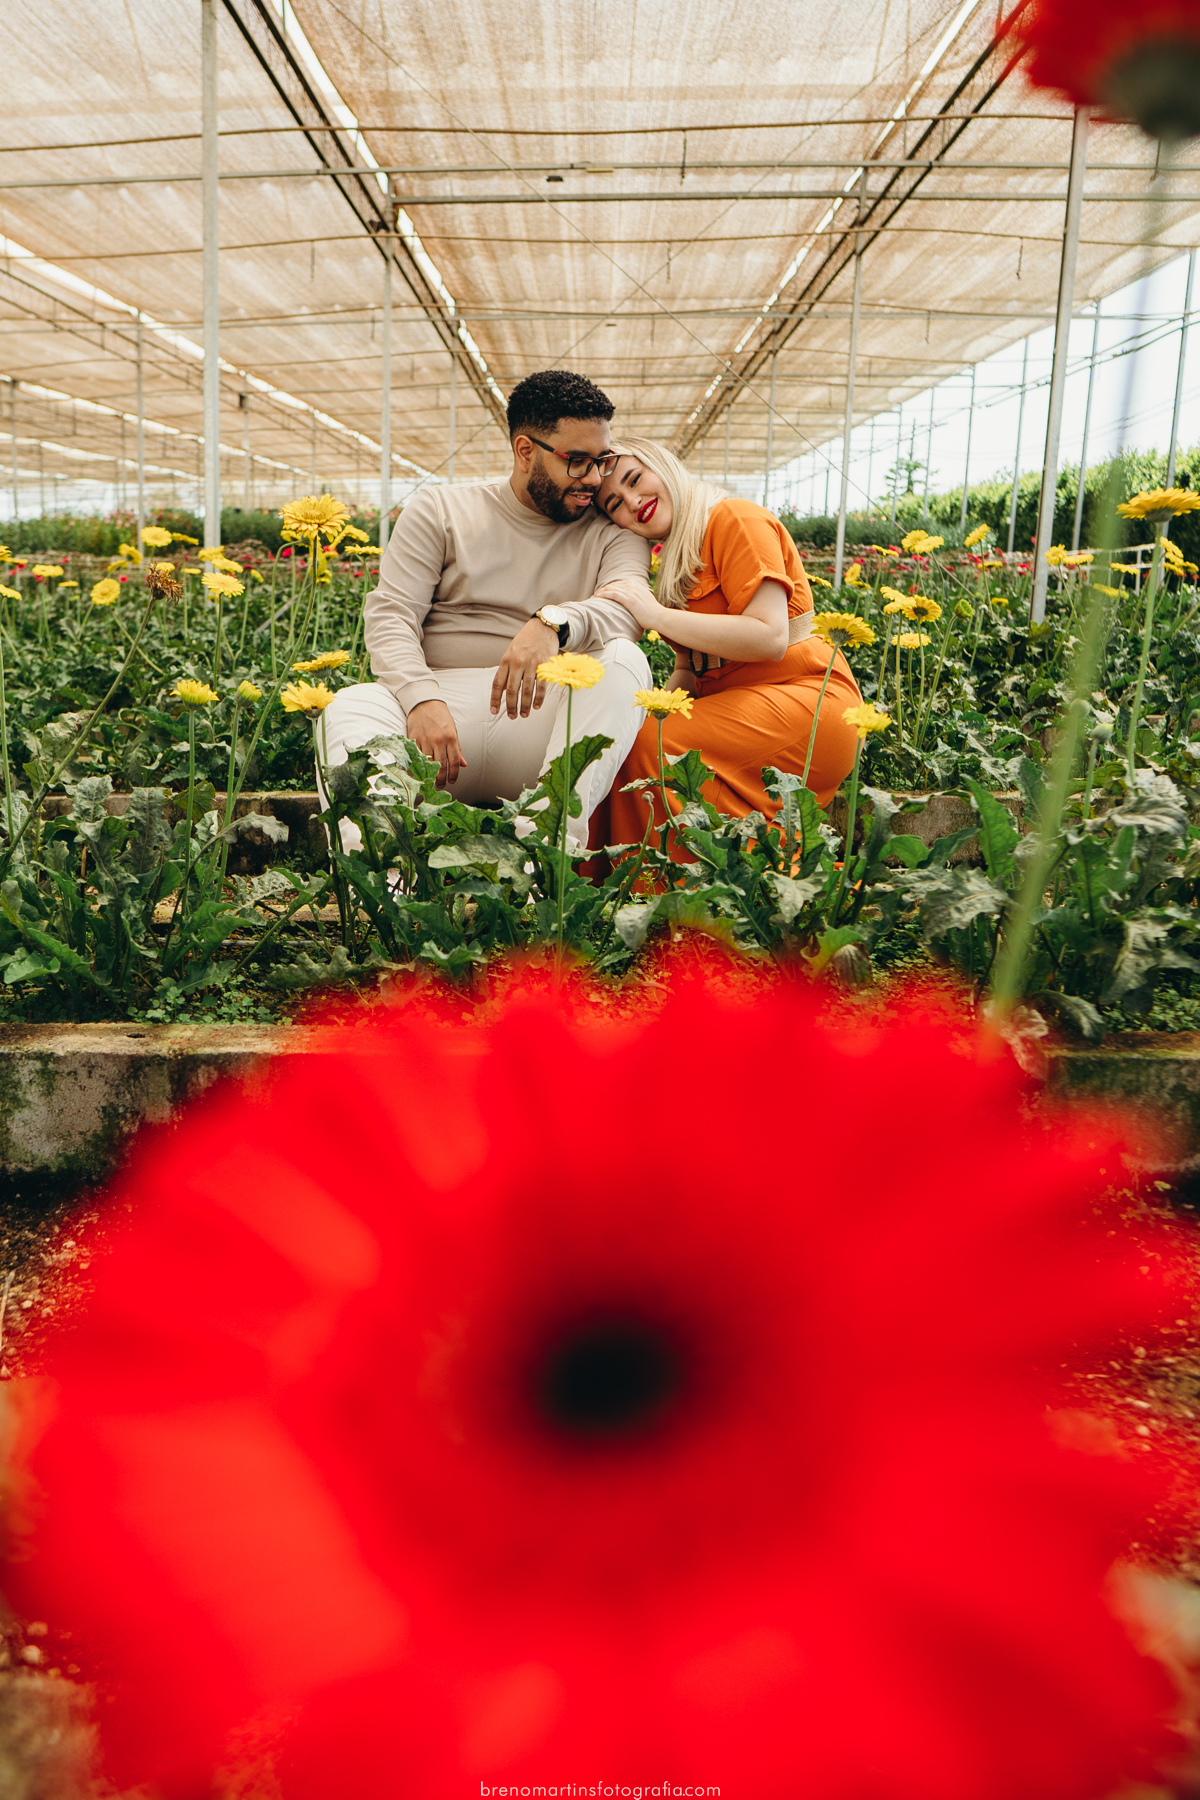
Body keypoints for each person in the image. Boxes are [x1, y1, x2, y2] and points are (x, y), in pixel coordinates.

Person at [319, 370, 652, 847]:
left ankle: (545, 854)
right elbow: (392, 614)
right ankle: (383, 883)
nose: (594, 479)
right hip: (433, 727)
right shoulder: (440, 510)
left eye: (602, 460)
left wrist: (553, 624)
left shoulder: (612, 531)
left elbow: (626, 609)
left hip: (541, 726)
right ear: (524, 451)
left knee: (625, 661)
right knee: (347, 707)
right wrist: (421, 699)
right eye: (577, 462)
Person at [590, 436, 862, 851]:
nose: (632, 501)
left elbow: (770, 637)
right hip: (741, 711)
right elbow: (688, 670)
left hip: (806, 701)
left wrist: (656, 616)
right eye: (614, 504)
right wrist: (651, 714)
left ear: (663, 465)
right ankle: (612, 888)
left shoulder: (733, 518)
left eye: (635, 478)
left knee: (651, 746)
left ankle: (666, 894)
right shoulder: (678, 559)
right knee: (625, 743)